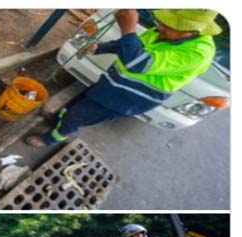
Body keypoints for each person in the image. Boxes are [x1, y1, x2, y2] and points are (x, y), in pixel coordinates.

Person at [25, 9, 220, 147]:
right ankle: (59, 119)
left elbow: (138, 63)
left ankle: (50, 139)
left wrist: (129, 27)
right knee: (79, 102)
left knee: (79, 116)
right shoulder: (166, 33)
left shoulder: (198, 53)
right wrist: (101, 48)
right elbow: (128, 47)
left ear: (193, 31)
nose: (160, 27)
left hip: (127, 99)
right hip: (111, 83)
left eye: (169, 25)